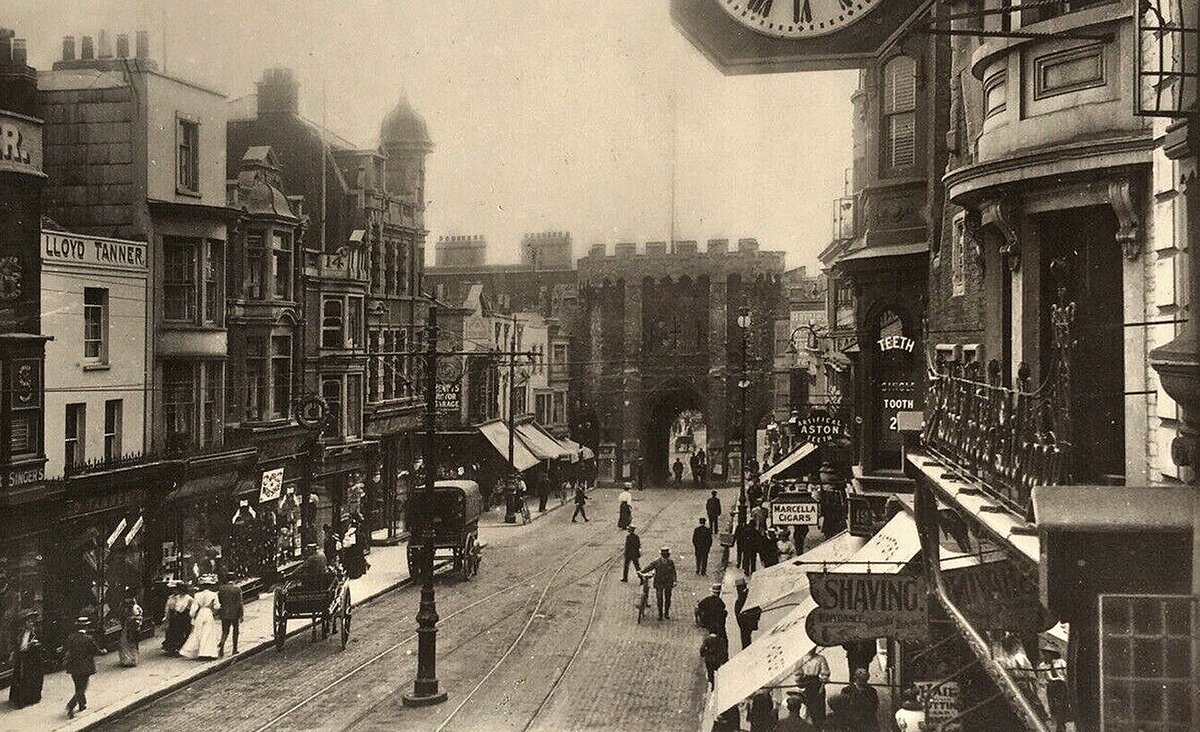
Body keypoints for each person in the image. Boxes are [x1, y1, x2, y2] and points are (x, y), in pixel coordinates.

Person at [63, 616, 101, 719]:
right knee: (82, 688)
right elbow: (95, 650)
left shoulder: (71, 637)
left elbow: (65, 649)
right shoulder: (88, 638)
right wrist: (103, 651)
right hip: (85, 667)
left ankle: (82, 704)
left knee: (77, 685)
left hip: (73, 667)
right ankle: (71, 706)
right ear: (86, 627)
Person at [180, 575, 221, 660]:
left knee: (199, 632)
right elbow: (217, 606)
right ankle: (208, 652)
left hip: (200, 613)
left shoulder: (197, 595)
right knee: (208, 633)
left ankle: (200, 652)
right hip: (208, 613)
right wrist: (214, 611)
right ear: (210, 586)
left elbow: (194, 608)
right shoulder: (213, 594)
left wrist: (192, 615)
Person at [8, 610, 43, 708]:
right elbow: (19, 645)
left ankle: (31, 698)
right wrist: (14, 652)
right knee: (20, 678)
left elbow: (42, 644)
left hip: (33, 660)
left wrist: (34, 645)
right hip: (22, 659)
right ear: (25, 623)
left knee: (32, 679)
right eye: (28, 621)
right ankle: (19, 699)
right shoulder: (22, 633)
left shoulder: (37, 632)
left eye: (32, 621)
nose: (30, 623)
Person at [796, 647, 831, 728]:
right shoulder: (801, 658)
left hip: (817, 684)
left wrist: (822, 683)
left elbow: (825, 673)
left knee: (818, 709)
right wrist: (800, 682)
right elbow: (798, 673)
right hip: (805, 684)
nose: (812, 649)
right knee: (806, 708)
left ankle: (818, 727)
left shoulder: (820, 658)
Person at [641, 546, 677, 620]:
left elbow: (673, 572)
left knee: (668, 598)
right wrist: (642, 571)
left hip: (668, 582)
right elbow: (649, 567)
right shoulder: (657, 562)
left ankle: (666, 613)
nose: (665, 556)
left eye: (666, 554)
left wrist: (675, 580)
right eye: (664, 554)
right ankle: (660, 614)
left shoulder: (671, 562)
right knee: (659, 598)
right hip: (659, 582)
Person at [161, 581, 193, 655]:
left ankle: (181, 647)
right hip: (176, 616)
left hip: (184, 616)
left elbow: (191, 607)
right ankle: (173, 647)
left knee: (183, 631)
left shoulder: (188, 598)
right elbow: (169, 607)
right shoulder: (174, 597)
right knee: (174, 631)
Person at [217, 575, 244, 657]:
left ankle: (221, 646)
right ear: (234, 580)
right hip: (235, 613)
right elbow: (240, 603)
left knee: (225, 631)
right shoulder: (237, 589)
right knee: (235, 631)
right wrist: (241, 615)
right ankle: (234, 649)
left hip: (224, 612)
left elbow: (219, 601)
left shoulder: (221, 589)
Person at [734, 576, 761, 649]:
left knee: (745, 640)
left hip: (744, 623)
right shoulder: (750, 594)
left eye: (737, 588)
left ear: (740, 587)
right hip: (749, 622)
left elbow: (738, 611)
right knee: (748, 638)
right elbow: (758, 608)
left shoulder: (741, 597)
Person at [117, 597, 142, 667]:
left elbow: (137, 619)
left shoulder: (135, 609)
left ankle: (132, 660)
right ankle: (129, 659)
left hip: (132, 629)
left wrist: (131, 620)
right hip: (128, 628)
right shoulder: (128, 609)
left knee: (131, 643)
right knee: (128, 643)